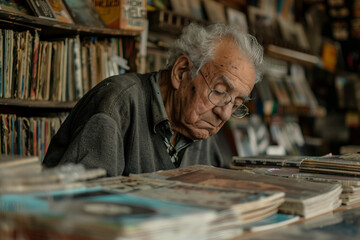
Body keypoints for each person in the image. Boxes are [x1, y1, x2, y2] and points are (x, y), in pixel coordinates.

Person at [43, 22, 263, 176]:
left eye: (236, 104)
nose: (224, 113)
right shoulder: (115, 106)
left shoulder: (203, 126)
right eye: (220, 91)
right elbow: (77, 209)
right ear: (181, 71)